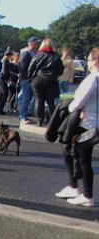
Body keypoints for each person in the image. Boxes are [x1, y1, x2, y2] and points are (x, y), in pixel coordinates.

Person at [55, 47, 98, 207]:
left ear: (95, 60)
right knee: (74, 154)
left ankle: (86, 195)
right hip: (93, 122)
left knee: (82, 158)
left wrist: (71, 108)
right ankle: (75, 188)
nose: (86, 62)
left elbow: (78, 101)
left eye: (88, 59)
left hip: (86, 123)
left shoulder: (93, 78)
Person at [28, 38, 64, 127]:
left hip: (38, 80)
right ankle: (53, 121)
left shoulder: (37, 56)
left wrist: (31, 80)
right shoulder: (56, 56)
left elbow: (30, 69)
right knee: (51, 102)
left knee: (38, 101)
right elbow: (60, 71)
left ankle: (39, 120)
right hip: (51, 81)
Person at [18, 36, 40, 124]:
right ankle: (23, 116)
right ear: (30, 43)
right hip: (26, 78)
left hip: (31, 79)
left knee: (30, 97)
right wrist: (26, 76)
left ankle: (25, 115)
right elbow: (22, 66)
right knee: (26, 98)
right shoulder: (26, 53)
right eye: (36, 42)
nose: (37, 44)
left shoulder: (34, 53)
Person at [0, 50, 14, 114]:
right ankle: (0, 109)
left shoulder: (3, 61)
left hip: (1, 79)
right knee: (5, 94)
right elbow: (4, 72)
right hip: (2, 79)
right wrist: (6, 79)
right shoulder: (5, 62)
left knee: (1, 94)